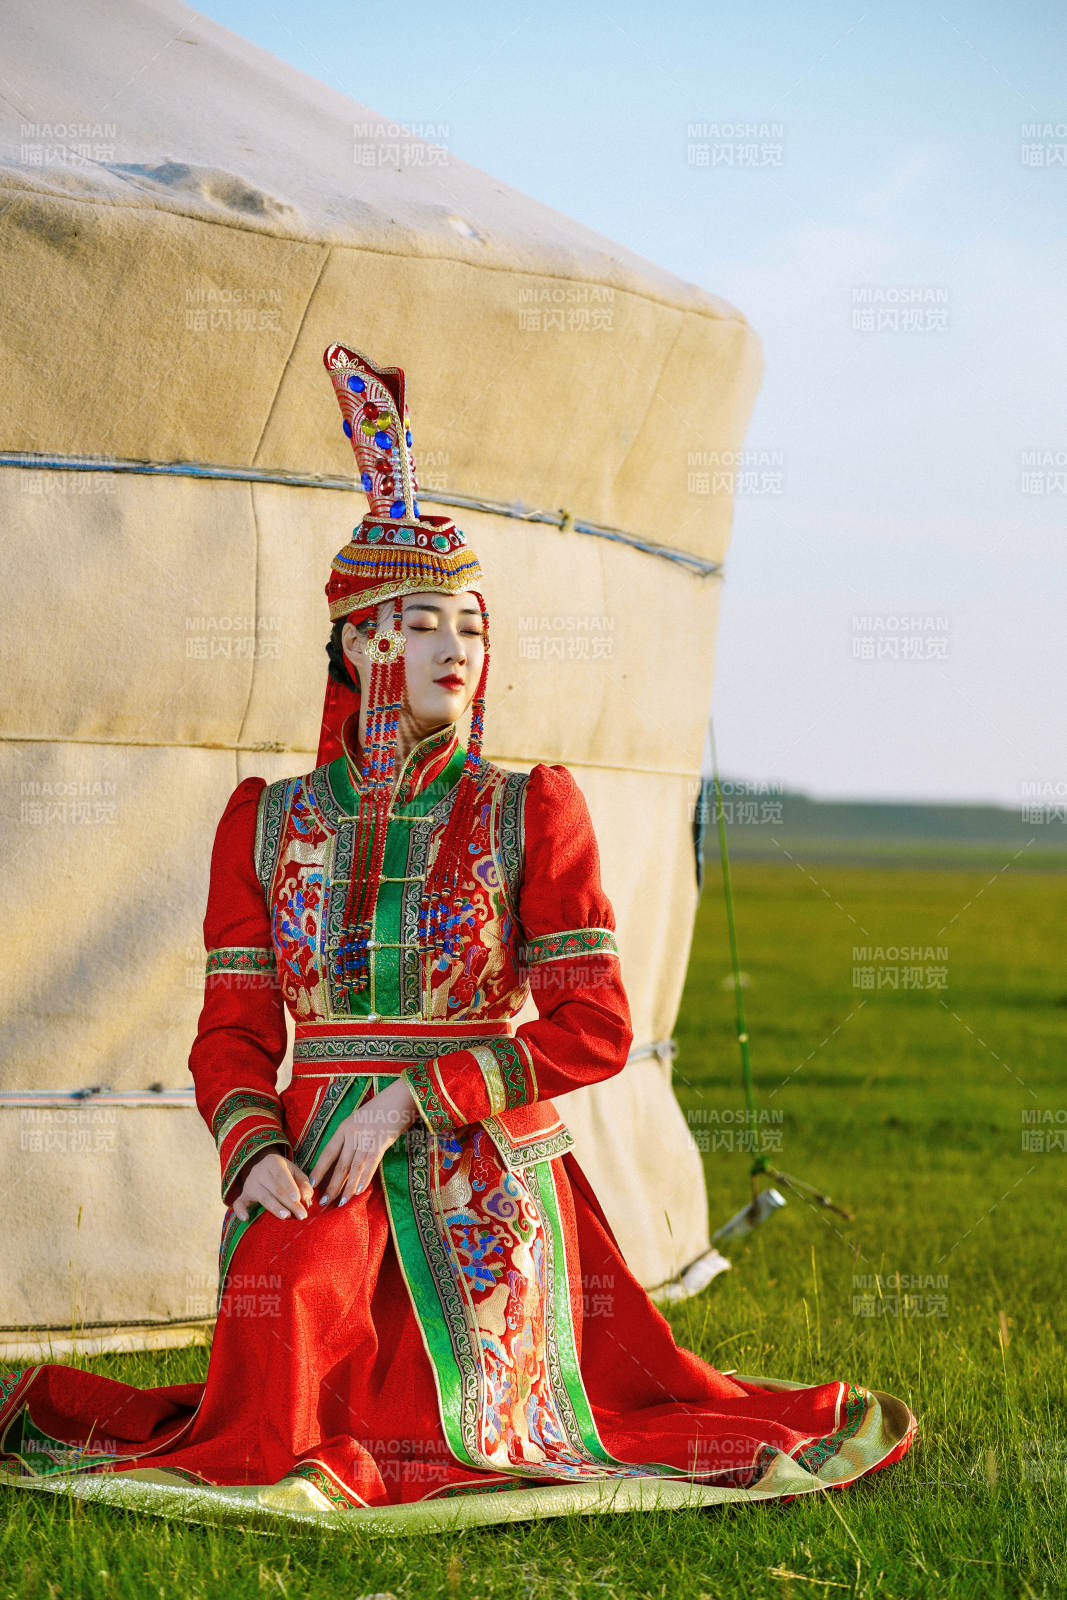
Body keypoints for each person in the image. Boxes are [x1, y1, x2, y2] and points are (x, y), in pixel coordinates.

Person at [0, 345, 917, 1533]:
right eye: (422, 622)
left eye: (470, 625)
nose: (455, 648)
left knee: (497, 1399)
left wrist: (410, 1099)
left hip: (475, 1150)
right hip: (316, 1144)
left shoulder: (527, 806)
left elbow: (596, 1025)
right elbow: (231, 1029)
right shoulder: (264, 820)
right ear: (357, 644)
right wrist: (253, 1149)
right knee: (285, 1299)